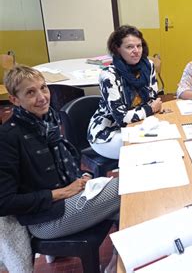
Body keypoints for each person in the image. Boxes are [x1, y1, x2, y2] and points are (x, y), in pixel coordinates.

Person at [0, 65, 120, 240]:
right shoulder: (8, 137)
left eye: (43, 88)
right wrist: (62, 193)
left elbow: (64, 162)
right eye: (30, 93)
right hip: (46, 220)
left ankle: (119, 262)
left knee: (128, 202)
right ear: (14, 100)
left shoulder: (48, 121)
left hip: (66, 202)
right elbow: (5, 202)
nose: (42, 98)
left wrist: (82, 177)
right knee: (126, 189)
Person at [88, 25, 162, 159]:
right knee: (148, 150)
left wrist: (149, 109)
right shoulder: (108, 75)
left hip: (137, 123)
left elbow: (153, 98)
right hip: (109, 132)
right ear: (117, 49)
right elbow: (121, 118)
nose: (136, 51)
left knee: (165, 140)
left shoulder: (148, 66)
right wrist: (149, 109)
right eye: (129, 47)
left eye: (139, 46)